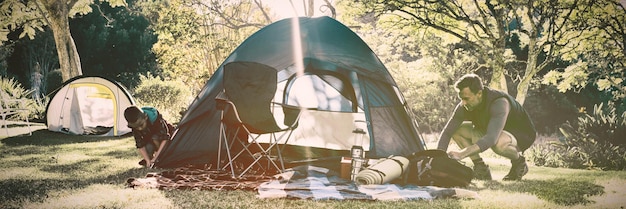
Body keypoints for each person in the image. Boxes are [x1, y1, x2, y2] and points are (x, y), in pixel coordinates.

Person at [437, 74, 536, 181]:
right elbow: (447, 132)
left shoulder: (499, 103)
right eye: (461, 98)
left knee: (498, 143)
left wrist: (461, 154)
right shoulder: (463, 106)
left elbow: (491, 139)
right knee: (457, 131)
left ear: (479, 93)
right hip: (492, 130)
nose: (463, 103)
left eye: (466, 98)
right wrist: (437, 158)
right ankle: (481, 169)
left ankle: (519, 163)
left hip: (522, 133)